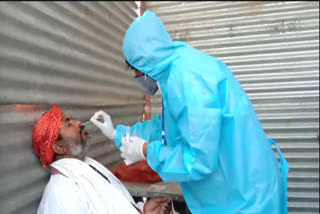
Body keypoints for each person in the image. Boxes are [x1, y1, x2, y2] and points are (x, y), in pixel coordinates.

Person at [90, 10, 289, 214]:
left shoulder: (189, 81)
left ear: (145, 62)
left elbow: (198, 162)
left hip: (245, 200)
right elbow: (168, 126)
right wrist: (119, 134)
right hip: (237, 188)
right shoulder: (177, 69)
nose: (137, 76)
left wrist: (146, 151)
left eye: (136, 70)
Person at [32, 105, 173, 214]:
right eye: (68, 124)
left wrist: (142, 210)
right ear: (59, 147)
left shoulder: (86, 167)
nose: (79, 122)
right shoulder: (62, 193)